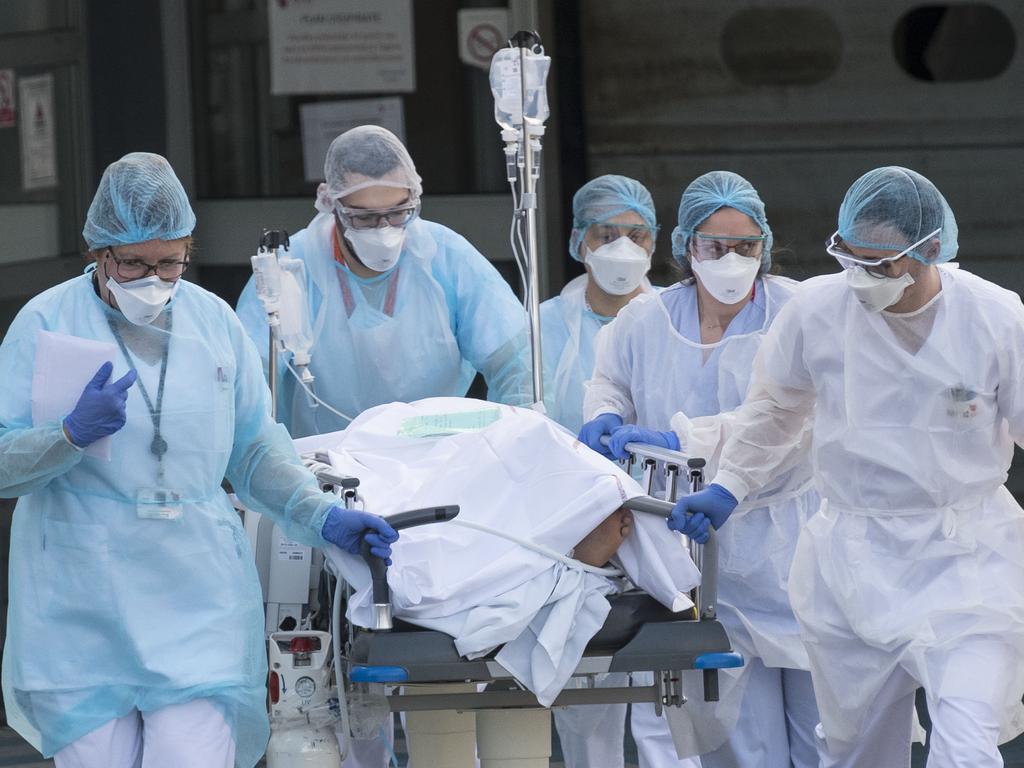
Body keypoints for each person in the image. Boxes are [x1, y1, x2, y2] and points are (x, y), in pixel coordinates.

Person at [0, 152, 398, 768]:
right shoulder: (46, 323)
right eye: (132, 262)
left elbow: (255, 448)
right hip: (81, 602)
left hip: (193, 595)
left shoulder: (212, 322)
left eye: (169, 261)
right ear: (95, 251)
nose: (152, 278)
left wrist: (319, 517)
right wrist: (67, 435)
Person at [670, 166, 1024, 767]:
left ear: (930, 251)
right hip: (854, 561)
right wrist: (730, 486)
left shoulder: (995, 317)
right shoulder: (817, 311)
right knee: (857, 753)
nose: (863, 279)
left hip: (964, 558)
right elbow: (777, 409)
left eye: (881, 265)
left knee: (964, 744)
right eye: (851, 259)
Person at [579, 171, 821, 768]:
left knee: (829, 738)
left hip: (796, 547)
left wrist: (680, 439)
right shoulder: (644, 319)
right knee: (738, 741)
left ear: (767, 244)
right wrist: (606, 416)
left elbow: (791, 421)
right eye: (715, 246)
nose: (732, 260)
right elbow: (610, 379)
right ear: (686, 246)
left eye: (747, 247)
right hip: (697, 559)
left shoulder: (801, 314)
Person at [236, 126, 532, 438]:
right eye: (363, 218)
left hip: (436, 457)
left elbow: (516, 366)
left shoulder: (446, 257)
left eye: (398, 213)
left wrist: (515, 444)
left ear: (414, 199)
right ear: (331, 205)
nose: (383, 229)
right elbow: (248, 384)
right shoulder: (291, 269)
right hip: (323, 467)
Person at [540, 175, 657, 435]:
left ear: (653, 243)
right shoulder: (542, 325)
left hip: (660, 475)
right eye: (607, 236)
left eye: (637, 237)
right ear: (579, 240)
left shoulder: (675, 316)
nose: (623, 249)